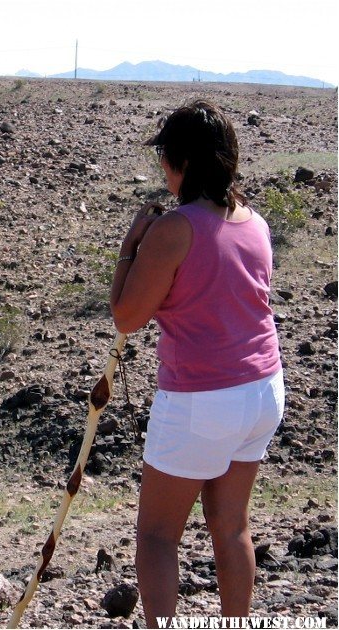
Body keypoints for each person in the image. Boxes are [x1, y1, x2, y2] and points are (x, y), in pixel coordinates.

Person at [110, 100, 284, 626]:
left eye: (165, 157)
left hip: (201, 399)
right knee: (230, 527)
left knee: (158, 534)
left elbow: (126, 317)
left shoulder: (176, 228)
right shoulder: (254, 222)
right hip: (263, 388)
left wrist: (129, 249)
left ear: (179, 160)